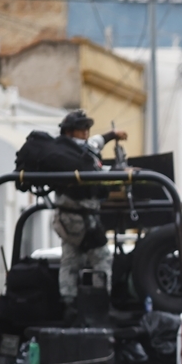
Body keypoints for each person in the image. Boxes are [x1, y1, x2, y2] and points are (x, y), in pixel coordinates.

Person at [52, 110, 127, 313]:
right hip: (76, 216)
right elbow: (92, 175)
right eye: (80, 128)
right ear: (69, 132)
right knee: (101, 256)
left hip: (77, 216)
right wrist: (117, 174)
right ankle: (101, 304)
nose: (85, 132)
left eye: (86, 128)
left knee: (70, 258)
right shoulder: (69, 154)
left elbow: (96, 142)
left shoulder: (83, 148)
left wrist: (112, 134)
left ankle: (69, 306)